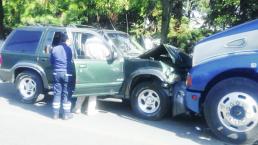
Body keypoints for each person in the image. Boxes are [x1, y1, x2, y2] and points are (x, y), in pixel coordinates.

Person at [50, 32, 73, 120]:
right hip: (66, 73)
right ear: (66, 40)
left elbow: (51, 61)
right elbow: (70, 61)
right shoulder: (69, 49)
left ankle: (55, 114)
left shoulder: (54, 49)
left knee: (57, 93)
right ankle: (66, 115)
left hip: (56, 73)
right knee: (66, 93)